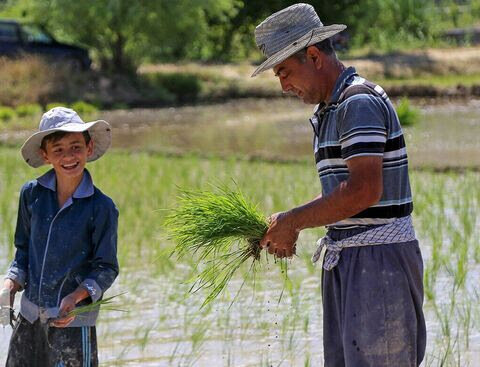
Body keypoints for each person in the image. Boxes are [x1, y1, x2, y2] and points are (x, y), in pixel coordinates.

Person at [253, 3, 426, 366]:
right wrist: (289, 222)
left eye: (284, 71)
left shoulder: (357, 101)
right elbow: (342, 194)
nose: (284, 86)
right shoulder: (329, 110)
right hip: (348, 258)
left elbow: (364, 191)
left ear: (313, 55)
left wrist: (295, 220)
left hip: (378, 264)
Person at [2, 107, 119, 367]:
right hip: (30, 318)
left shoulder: (101, 207)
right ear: (45, 155)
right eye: (58, 150)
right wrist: (10, 284)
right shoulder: (31, 195)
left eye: (76, 146)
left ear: (89, 147)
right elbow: (23, 250)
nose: (69, 156)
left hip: (73, 323)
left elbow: (106, 268)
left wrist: (76, 297)